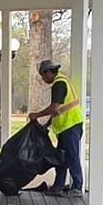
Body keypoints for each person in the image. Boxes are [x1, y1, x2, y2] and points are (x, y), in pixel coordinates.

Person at [29, 57, 83, 195]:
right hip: (66, 127)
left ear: (48, 72)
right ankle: (58, 186)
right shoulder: (62, 81)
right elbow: (58, 111)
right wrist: (46, 124)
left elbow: (54, 108)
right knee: (61, 158)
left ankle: (77, 187)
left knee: (72, 157)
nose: (43, 79)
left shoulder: (59, 84)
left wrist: (37, 115)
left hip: (70, 125)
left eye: (43, 75)